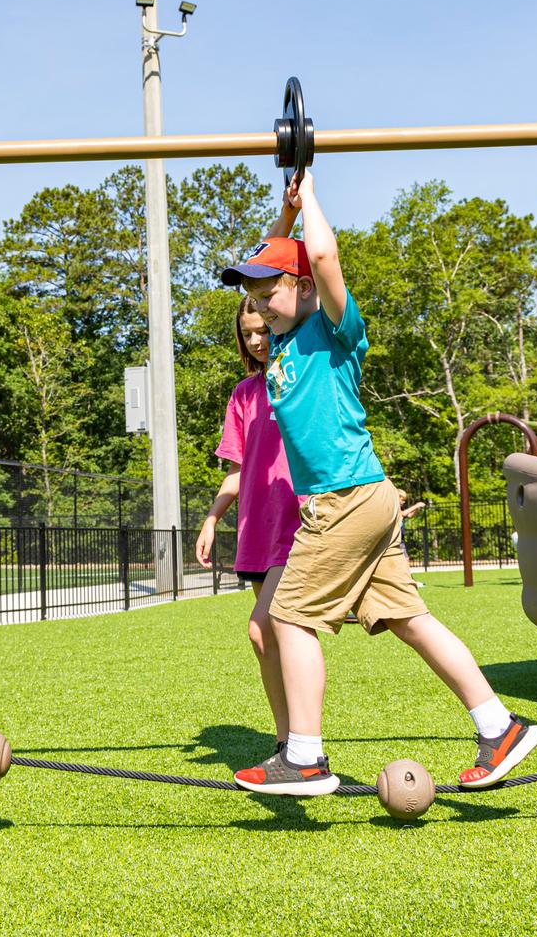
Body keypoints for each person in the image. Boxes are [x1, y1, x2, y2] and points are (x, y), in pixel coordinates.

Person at [217, 173, 537, 796]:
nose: (256, 304)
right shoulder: (281, 342)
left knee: (288, 617)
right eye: (250, 296)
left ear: (305, 288)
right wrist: (282, 218)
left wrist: (309, 194)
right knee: (408, 618)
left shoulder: (333, 331)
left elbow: (320, 257)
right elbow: (280, 259)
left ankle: (305, 759)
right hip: (365, 497)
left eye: (266, 292)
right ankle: (499, 725)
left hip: (345, 498)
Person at [194, 298, 302, 755]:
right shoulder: (243, 394)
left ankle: (300, 745)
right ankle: (287, 741)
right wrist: (212, 517)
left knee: (263, 628)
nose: (257, 341)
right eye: (248, 333)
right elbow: (238, 469)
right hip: (257, 528)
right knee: (271, 639)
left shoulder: (304, 380)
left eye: (263, 329)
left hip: (298, 526)